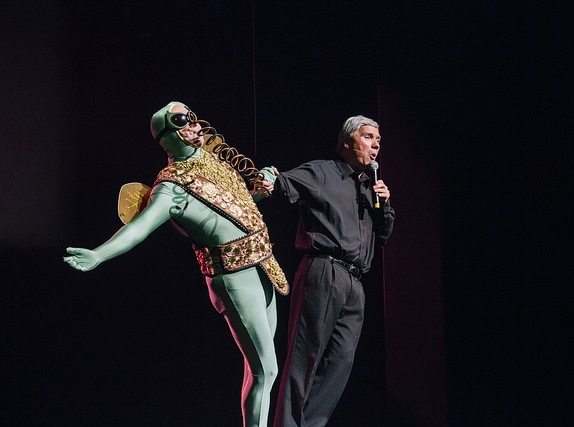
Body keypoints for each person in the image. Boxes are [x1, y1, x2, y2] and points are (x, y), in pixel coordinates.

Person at [63, 101, 288, 427]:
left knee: (265, 369)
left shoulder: (211, 161)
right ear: (166, 138)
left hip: (261, 264)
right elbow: (139, 227)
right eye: (182, 121)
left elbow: (235, 207)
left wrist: (259, 191)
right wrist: (99, 254)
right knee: (264, 369)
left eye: (193, 118)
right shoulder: (170, 188)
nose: (195, 125)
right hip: (233, 276)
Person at [259, 115, 395, 426]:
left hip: (355, 282)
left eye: (379, 141)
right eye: (369, 137)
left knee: (339, 365)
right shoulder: (323, 171)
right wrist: (268, 179)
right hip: (325, 270)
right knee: (306, 358)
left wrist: (383, 204)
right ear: (348, 140)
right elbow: (281, 183)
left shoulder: (371, 190)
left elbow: (383, 235)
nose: (376, 145)